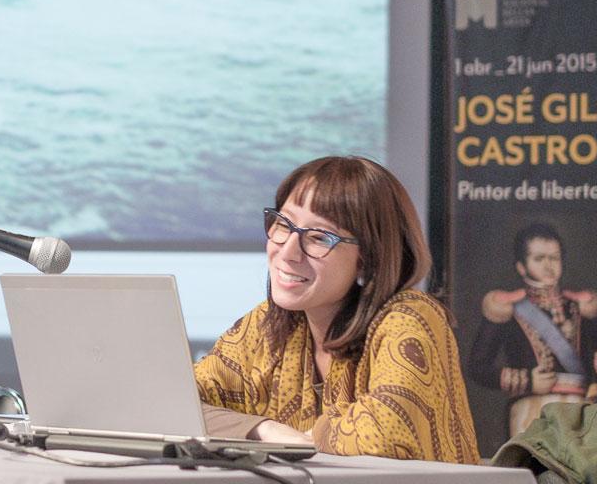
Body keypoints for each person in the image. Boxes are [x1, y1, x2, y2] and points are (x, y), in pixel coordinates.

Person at [194, 156, 480, 462]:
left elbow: (386, 432)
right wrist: (265, 430)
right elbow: (168, 404)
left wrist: (310, 438)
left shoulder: (410, 317)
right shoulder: (266, 325)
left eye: (318, 237)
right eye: (283, 224)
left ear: (369, 257)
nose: (287, 252)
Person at [467, 223, 597, 437]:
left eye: (554, 258)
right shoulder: (508, 308)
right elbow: (478, 367)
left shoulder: (580, 307)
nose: (549, 266)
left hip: (581, 411)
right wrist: (528, 381)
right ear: (521, 266)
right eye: (539, 259)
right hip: (531, 410)